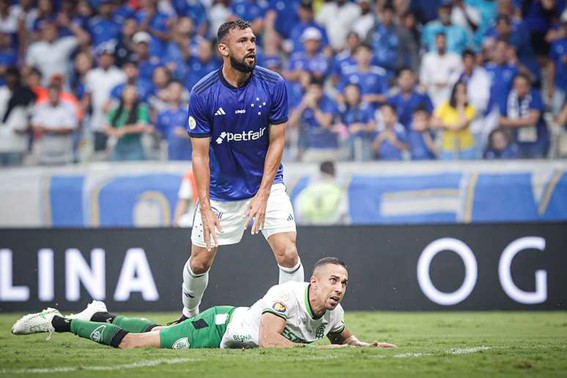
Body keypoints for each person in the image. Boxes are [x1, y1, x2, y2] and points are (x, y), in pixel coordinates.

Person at [179, 20, 304, 323]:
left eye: (253, 40)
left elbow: (278, 142)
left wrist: (263, 194)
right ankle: (188, 314)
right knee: (200, 261)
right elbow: (199, 156)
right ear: (223, 49)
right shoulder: (203, 93)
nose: (251, 46)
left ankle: (283, 322)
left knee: (288, 253)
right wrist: (205, 207)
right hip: (221, 192)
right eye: (242, 41)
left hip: (266, 184)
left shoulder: (273, 84)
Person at [12, 257, 397, 350]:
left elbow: (342, 337)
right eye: (334, 280)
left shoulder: (333, 311)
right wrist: (327, 357)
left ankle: (100, 314)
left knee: (156, 331)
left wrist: (364, 348)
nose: (340, 287)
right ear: (314, 280)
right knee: (135, 345)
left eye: (344, 282)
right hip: (218, 326)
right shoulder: (287, 295)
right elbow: (269, 341)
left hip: (225, 330)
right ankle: (59, 321)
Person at [498, 73, 549, 159]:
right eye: (516, 85)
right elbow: (501, 120)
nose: (518, 88)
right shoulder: (508, 97)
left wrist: (511, 122)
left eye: (521, 85)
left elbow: (533, 120)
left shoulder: (535, 95)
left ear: (527, 86)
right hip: (517, 138)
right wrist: (525, 121)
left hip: (537, 137)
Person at [103, 84, 153, 161]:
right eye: (127, 93)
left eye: (132, 93)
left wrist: (125, 129)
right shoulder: (116, 110)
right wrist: (114, 132)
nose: (130, 96)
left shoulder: (141, 108)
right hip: (119, 145)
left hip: (134, 146)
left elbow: (142, 126)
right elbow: (106, 126)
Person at [431, 82, 476, 160]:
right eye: (458, 92)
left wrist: (460, 105)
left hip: (466, 147)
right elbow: (434, 122)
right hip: (448, 147)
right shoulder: (445, 106)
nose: (460, 95)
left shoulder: (470, 109)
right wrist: (449, 126)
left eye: (463, 92)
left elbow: (462, 124)